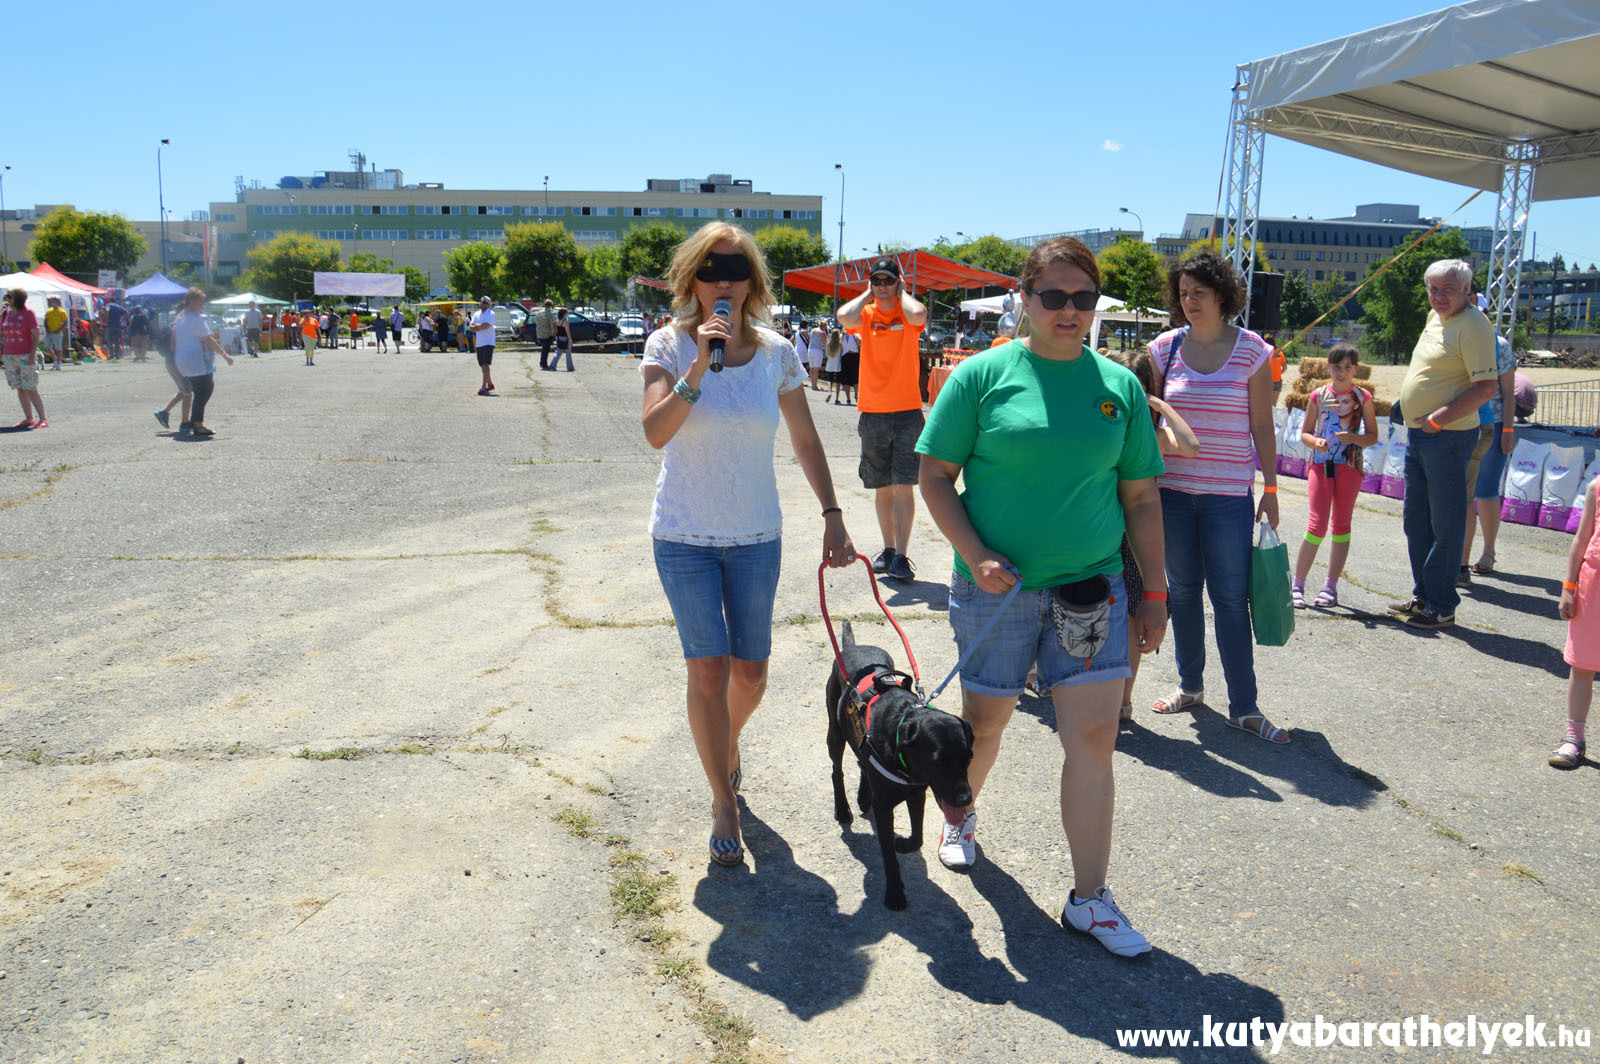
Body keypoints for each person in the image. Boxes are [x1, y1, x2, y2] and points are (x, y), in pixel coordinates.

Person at [916, 236, 1166, 956]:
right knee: (984, 726)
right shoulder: (982, 376)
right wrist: (974, 553)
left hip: (1094, 591)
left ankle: (1090, 899)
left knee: (1093, 736)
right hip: (998, 591)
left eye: (1083, 299)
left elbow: (1142, 498)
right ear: (1024, 300)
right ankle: (962, 818)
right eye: (1052, 296)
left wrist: (1155, 591)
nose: (1068, 310)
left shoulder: (1118, 388)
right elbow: (935, 477)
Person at [639, 221, 855, 868]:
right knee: (707, 668)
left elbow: (807, 440)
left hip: (757, 534)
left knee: (751, 672)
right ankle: (722, 798)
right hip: (683, 535)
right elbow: (655, 432)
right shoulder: (668, 345)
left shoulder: (777, 352)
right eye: (709, 270)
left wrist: (834, 512)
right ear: (691, 280)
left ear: (752, 282)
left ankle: (724, 746)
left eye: (734, 270)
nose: (722, 282)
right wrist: (700, 365)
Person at [1148, 250, 1290, 744]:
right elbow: (1148, 421)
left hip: (1229, 495)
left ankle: (1244, 707)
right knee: (1182, 594)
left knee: (1231, 600)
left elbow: (1260, 426)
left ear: (1223, 296)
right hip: (1171, 494)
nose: (1190, 301)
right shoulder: (1162, 349)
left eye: (1199, 293)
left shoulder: (1253, 350)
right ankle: (1190, 687)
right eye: (1183, 293)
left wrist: (1270, 487)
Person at [1387, 260, 1498, 631]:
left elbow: (1486, 388)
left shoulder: (1475, 325)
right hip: (1420, 436)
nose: (1438, 296)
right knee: (1415, 521)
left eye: (1447, 289)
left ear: (1467, 290)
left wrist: (1438, 419)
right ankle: (1424, 597)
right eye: (1433, 289)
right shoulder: (1436, 318)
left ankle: (1442, 605)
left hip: (1447, 437)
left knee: (1446, 524)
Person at [1103, 348, 1199, 721]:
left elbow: (1190, 446)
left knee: (1130, 621)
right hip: (1101, 528)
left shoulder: (1154, 433)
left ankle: (1124, 701)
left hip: (1135, 537)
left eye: (1136, 388)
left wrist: (1160, 403)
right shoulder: (1101, 425)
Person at [837, 257, 928, 582]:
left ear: (898, 281)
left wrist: (900, 290)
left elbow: (919, 314)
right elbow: (843, 316)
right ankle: (888, 550)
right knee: (882, 487)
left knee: (904, 486)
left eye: (888, 280)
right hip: (873, 412)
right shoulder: (867, 314)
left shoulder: (907, 311)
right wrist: (868, 293)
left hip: (906, 411)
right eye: (878, 280)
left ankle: (902, 556)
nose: (883, 286)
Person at [1291, 343, 1379, 608]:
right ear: (1328, 367)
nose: (1341, 372)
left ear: (1355, 369)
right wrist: (1315, 442)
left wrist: (1353, 438)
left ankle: (1330, 587)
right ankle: (1297, 585)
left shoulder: (1363, 397)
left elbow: (1373, 436)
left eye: (1347, 367)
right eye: (1336, 367)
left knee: (1341, 525)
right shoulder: (1318, 396)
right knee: (1316, 524)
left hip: (1350, 467)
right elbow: (1305, 433)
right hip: (1320, 465)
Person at [1462, 330, 1518, 578]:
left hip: (1493, 424)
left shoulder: (1500, 345)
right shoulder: (1456, 336)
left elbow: (1508, 392)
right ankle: (1459, 558)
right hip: (1460, 423)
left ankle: (1488, 552)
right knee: (1461, 494)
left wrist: (1507, 429)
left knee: (1486, 490)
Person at [1553, 476, 1600, 770]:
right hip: (1592, 587)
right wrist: (1568, 589)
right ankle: (1574, 737)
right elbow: (1581, 540)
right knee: (1582, 665)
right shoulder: (1597, 486)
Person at [172, 287, 234, 437]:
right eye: (201, 302)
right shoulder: (195, 319)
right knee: (204, 391)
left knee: (200, 391)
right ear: (192, 301)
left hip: (183, 359)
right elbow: (209, 339)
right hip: (196, 360)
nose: (203, 305)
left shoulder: (180, 318)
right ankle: (198, 425)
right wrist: (225, 355)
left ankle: (195, 421)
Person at [2, 288, 46, 428]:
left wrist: (32, 355)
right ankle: (28, 418)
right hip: (9, 355)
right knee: (19, 387)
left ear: (18, 298)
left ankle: (43, 419)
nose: (7, 298)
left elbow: (36, 334)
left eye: (9, 296)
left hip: (25, 355)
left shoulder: (28, 313)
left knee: (30, 387)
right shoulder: (5, 314)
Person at [471, 295, 496, 395]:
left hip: (488, 342)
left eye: (484, 302)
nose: (482, 303)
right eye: (481, 301)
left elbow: (486, 326)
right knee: (482, 365)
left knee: (485, 364)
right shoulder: (476, 314)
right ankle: (490, 384)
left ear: (488, 304)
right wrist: (479, 326)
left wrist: (478, 326)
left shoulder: (491, 313)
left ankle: (483, 386)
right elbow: (471, 327)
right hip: (479, 342)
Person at [43, 296, 68, 370]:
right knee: (47, 346)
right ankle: (55, 359)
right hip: (49, 332)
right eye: (51, 302)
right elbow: (46, 320)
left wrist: (60, 329)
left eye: (53, 301)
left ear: (57, 302)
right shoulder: (49, 310)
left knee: (58, 348)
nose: (51, 303)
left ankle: (58, 364)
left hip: (57, 332)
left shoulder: (62, 311)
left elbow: (65, 322)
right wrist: (47, 328)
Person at [534, 298, 558, 369]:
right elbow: (553, 325)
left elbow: (536, 322)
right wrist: (555, 334)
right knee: (546, 349)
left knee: (544, 348)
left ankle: (543, 363)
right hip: (547, 334)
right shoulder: (550, 314)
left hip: (539, 333)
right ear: (551, 305)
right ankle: (543, 364)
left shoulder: (539, 313)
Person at [838, 329, 859, 406]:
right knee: (850, 378)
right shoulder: (843, 337)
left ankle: (852, 396)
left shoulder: (845, 336)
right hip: (850, 357)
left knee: (851, 378)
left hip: (849, 357)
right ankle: (852, 396)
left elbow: (841, 349)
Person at [1265, 332, 1286, 404]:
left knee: (1266, 404)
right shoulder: (1279, 353)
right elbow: (1285, 367)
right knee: (1274, 405)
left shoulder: (1265, 353)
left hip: (1268, 380)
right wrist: (1279, 373)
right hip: (1278, 381)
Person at [824, 329, 844, 403]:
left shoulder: (829, 344)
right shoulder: (840, 344)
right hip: (837, 363)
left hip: (830, 362)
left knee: (830, 380)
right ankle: (837, 398)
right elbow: (841, 353)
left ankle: (829, 392)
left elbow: (827, 354)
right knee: (838, 381)